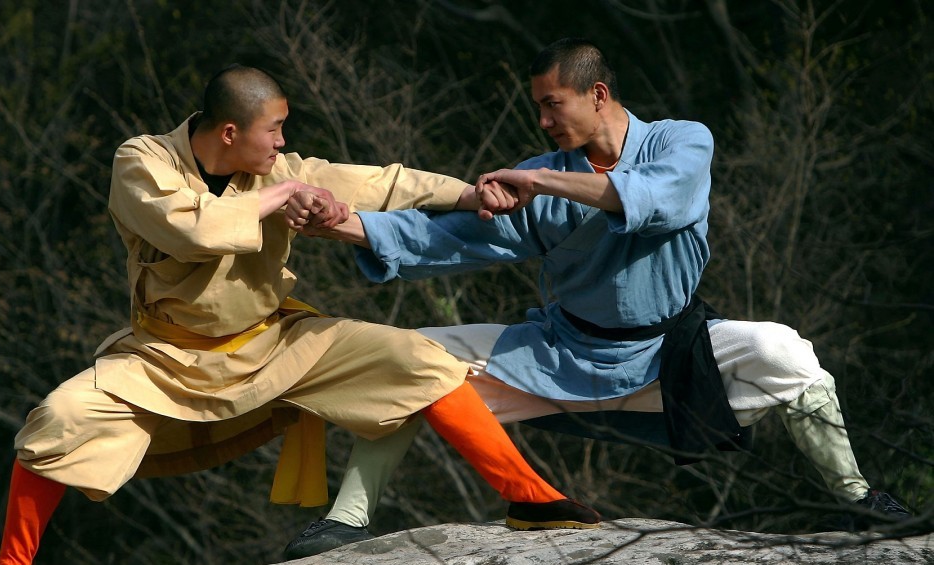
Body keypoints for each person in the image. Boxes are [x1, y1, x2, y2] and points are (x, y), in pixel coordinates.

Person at [283, 37, 914, 557]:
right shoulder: (546, 173)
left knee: (787, 351)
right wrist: (339, 224)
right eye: (539, 108)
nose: (544, 121)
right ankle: (348, 521)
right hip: (559, 354)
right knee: (412, 359)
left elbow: (653, 199)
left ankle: (857, 498)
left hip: (672, 354)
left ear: (599, 94)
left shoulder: (680, 140)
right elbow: (442, 239)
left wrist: (536, 178)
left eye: (552, 105)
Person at [0, 64, 603, 565]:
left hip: (275, 343)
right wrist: (283, 196)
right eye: (275, 130)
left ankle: (532, 499)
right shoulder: (142, 161)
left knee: (419, 358)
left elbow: (381, 184)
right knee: (59, 418)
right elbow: (195, 230)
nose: (284, 144)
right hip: (165, 359)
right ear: (229, 133)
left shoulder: (274, 169)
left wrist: (472, 194)